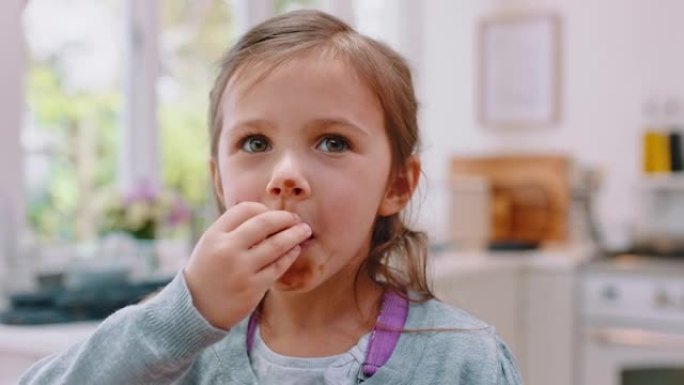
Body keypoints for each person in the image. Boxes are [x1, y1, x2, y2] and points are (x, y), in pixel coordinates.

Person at [20, 10, 522, 385]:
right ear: (220, 182)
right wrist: (182, 315)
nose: (286, 176)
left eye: (332, 142)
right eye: (255, 143)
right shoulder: (178, 350)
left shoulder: (462, 359)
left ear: (396, 185)